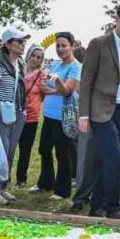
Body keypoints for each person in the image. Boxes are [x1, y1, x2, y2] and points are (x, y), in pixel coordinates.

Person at [77, 3, 120, 220]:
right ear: (117, 19)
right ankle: (113, 207)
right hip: (99, 111)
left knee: (106, 159)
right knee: (114, 157)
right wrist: (83, 115)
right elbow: (85, 81)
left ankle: (96, 206)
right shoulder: (99, 44)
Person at [0, 29, 29, 205]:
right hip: (0, 111)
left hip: (17, 111)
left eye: (23, 41)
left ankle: (3, 187)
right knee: (1, 152)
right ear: (8, 44)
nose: (22, 44)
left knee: (11, 151)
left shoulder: (19, 62)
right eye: (18, 41)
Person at [37, 32, 80, 200]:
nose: (60, 49)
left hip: (64, 116)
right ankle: (46, 182)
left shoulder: (75, 67)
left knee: (62, 153)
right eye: (58, 46)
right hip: (48, 115)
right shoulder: (56, 65)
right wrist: (56, 89)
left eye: (64, 45)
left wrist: (56, 84)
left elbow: (67, 91)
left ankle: (62, 190)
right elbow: (42, 87)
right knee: (44, 149)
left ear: (72, 45)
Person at [17, 44, 45, 190]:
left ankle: (21, 178)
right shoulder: (18, 70)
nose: (35, 59)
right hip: (16, 114)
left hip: (31, 117)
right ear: (28, 55)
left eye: (39, 57)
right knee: (9, 147)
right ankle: (3, 176)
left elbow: (45, 94)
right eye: (34, 55)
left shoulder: (42, 75)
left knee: (25, 148)